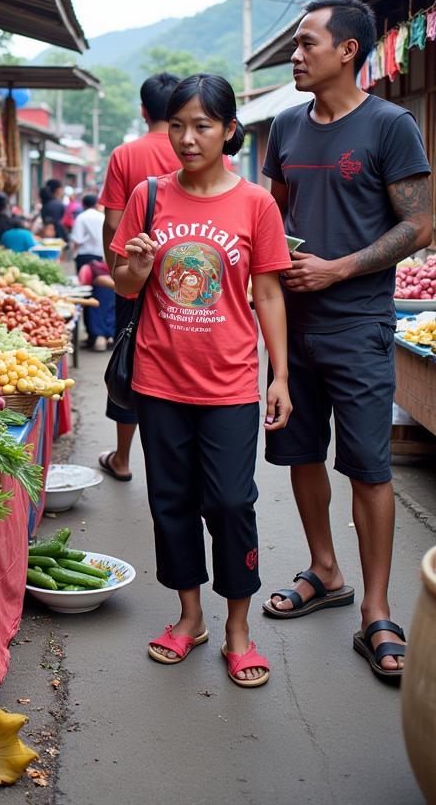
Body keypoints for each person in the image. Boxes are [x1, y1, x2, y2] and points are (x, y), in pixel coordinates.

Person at [261, 0, 432, 682]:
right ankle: (325, 570)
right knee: (300, 451)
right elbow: (272, 215)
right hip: (290, 332)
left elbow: (420, 227)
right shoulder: (284, 128)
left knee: (368, 466)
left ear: (349, 51)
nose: (296, 55)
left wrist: (339, 267)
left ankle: (377, 611)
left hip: (360, 324)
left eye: (307, 44)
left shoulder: (391, 125)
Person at [112, 73, 292, 689]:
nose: (187, 138)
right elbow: (126, 286)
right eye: (178, 125)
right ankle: (189, 618)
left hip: (231, 383)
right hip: (160, 378)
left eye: (203, 126)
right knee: (172, 503)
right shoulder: (148, 195)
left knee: (232, 503)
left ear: (229, 131)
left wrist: (281, 375)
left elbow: (267, 291)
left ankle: (238, 629)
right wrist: (134, 269)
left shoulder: (255, 204)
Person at [97, 72, 182, 480]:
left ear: (144, 110)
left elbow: (114, 221)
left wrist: (119, 270)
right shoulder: (207, 147)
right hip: (187, 277)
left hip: (135, 272)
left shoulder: (125, 154)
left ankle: (124, 458)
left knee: (128, 358)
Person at [70, 193, 110, 349]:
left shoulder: (81, 218)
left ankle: (94, 335)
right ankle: (106, 335)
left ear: (84, 204)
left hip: (85, 260)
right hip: (102, 259)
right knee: (103, 296)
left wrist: (73, 255)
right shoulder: (102, 217)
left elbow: (77, 240)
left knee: (85, 296)